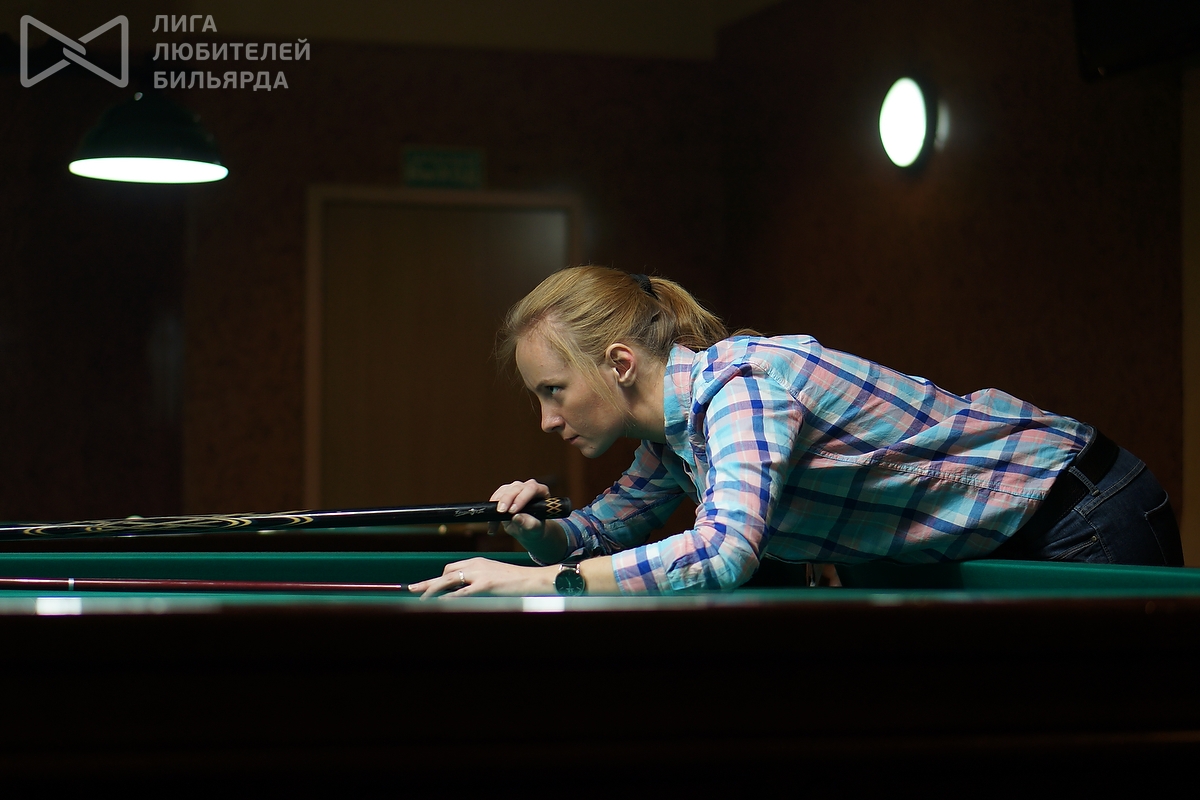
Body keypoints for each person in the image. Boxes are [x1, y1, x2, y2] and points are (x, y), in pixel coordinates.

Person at [410, 266, 1184, 598]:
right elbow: (596, 535)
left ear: (618, 363)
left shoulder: (740, 388)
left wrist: (540, 583)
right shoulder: (670, 442)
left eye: (553, 391)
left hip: (1080, 508)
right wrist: (539, 534)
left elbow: (723, 553)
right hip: (1009, 532)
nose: (547, 419)